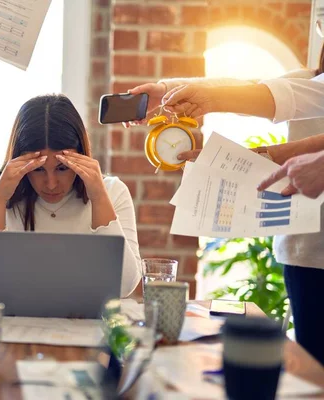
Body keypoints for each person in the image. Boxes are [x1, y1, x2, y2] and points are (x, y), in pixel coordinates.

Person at [126, 54, 324, 365]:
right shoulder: (310, 80)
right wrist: (168, 90)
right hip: (306, 253)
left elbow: (273, 98)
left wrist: (268, 155)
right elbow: (262, 90)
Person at [0, 94, 142, 297]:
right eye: (38, 170)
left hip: (87, 325)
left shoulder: (112, 191)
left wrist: (99, 197)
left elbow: (125, 286)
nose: (51, 184)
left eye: (62, 168)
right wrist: (0, 197)